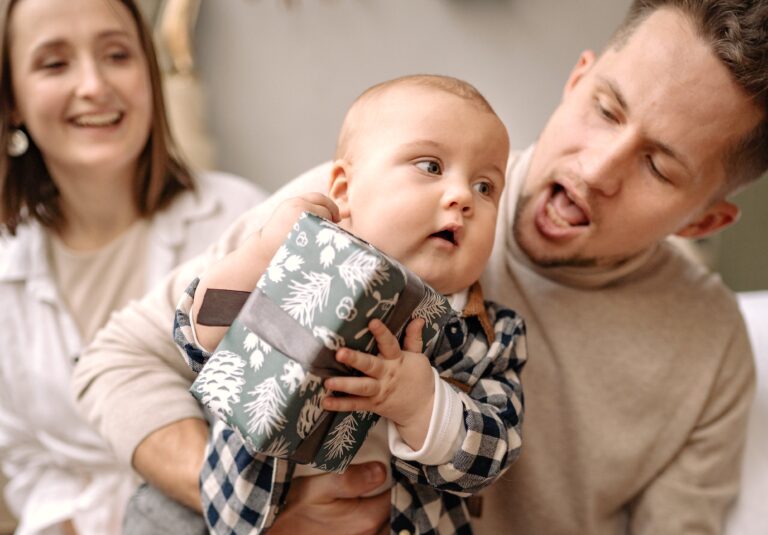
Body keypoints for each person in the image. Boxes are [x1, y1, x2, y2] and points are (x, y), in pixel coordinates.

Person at [72, 0, 767, 533]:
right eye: (606, 109)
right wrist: (263, 513)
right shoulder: (368, 209)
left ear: (702, 221)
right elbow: (125, 359)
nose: (597, 168)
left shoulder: (710, 354)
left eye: (657, 165)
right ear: (578, 78)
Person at [176, 75, 526, 534]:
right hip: (255, 516)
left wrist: (422, 404)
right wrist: (262, 255)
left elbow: (493, 457)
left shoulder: (491, 335)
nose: (461, 198)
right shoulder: (293, 260)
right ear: (344, 188)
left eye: (485, 187)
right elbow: (195, 340)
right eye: (431, 166)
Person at [0, 0, 266, 533]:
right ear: (12, 104)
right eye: (54, 64)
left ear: (149, 72)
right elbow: (25, 459)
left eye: (117, 54)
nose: (94, 85)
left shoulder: (247, 224)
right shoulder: (7, 270)